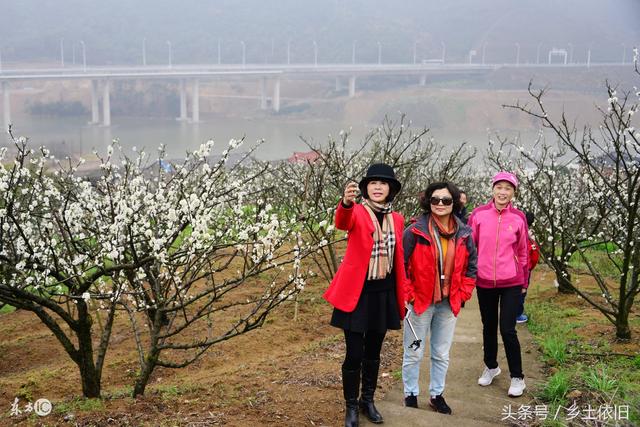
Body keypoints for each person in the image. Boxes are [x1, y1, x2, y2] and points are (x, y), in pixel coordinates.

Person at [323, 163, 407, 427]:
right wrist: (345, 203)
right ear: (365, 189)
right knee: (354, 354)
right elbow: (342, 222)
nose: (378, 187)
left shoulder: (397, 218)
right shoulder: (357, 212)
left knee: (373, 352)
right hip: (357, 295)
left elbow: (398, 259)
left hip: (383, 294)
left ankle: (367, 401)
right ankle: (350, 407)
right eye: (373, 183)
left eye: (383, 183)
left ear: (391, 189)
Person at [401, 182, 477, 414]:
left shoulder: (464, 233)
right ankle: (411, 393)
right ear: (428, 202)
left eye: (446, 200)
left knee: (441, 353)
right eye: (435, 200)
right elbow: (402, 267)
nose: (440, 204)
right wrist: (410, 295)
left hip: (448, 302)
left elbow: (471, 268)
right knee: (413, 350)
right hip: (421, 302)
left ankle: (436, 394)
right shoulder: (414, 231)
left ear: (454, 203)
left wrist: (463, 293)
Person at [467, 171, 529, 398]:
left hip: (512, 281)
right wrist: (471, 275)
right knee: (488, 326)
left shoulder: (518, 217)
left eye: (508, 188)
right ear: (492, 189)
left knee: (507, 329)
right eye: (499, 187)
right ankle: (491, 366)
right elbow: (470, 247)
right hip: (484, 281)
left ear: (513, 193)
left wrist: (524, 281)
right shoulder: (479, 214)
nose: (503, 192)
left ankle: (517, 377)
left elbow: (523, 251)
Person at [516, 211, 541, 323]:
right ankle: (517, 314)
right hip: (525, 269)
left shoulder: (516, 232)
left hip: (512, 268)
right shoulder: (530, 239)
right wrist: (530, 267)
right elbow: (534, 257)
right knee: (522, 291)